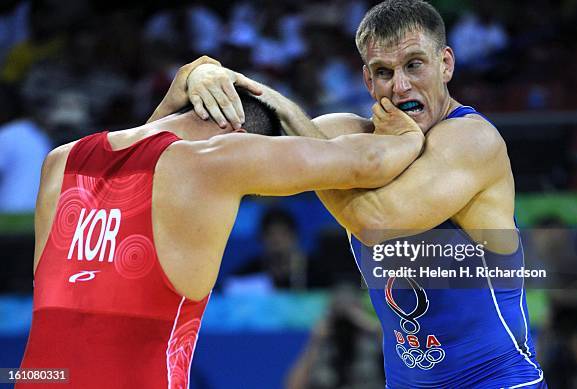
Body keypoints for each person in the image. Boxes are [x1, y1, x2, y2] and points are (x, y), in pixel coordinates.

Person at [181, 1, 547, 387]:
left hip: (497, 381)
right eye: (384, 72)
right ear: (368, 81)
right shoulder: (347, 133)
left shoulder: (472, 139)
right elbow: (238, 143)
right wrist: (199, 77)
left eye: (414, 65)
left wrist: (313, 157)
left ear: (446, 64)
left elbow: (376, 221)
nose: (400, 85)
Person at [17, 56, 425, 388]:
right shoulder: (216, 161)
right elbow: (367, 163)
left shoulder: (60, 161)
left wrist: (189, 76)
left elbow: (143, 150)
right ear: (236, 132)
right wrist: (408, 127)